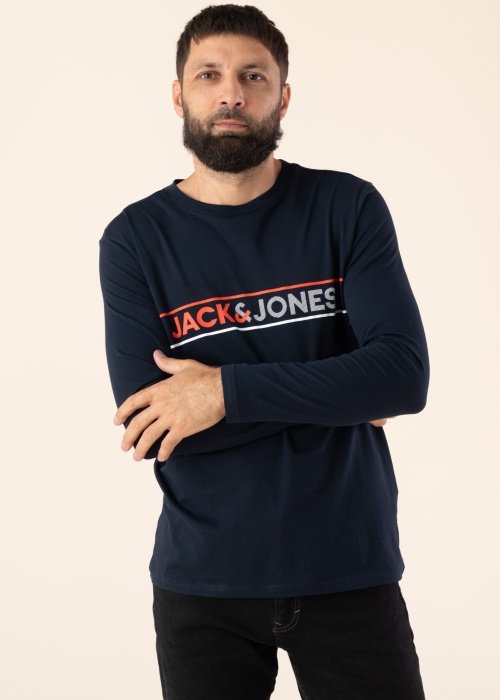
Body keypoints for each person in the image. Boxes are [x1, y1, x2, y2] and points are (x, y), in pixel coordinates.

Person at [99, 5, 429, 699]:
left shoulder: (346, 207)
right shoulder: (134, 240)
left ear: (283, 95)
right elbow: (152, 427)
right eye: (209, 75)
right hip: (203, 585)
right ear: (178, 95)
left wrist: (220, 392)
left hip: (351, 570)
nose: (231, 93)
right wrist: (338, 390)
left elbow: (402, 376)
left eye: (254, 76)